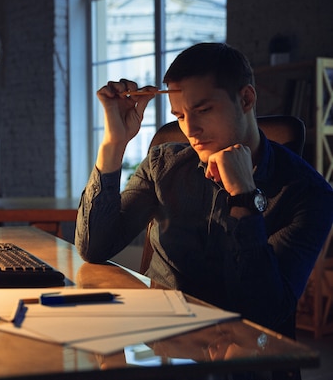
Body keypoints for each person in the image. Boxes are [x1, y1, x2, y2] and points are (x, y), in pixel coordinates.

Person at [75, 43, 333, 345]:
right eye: (180, 116)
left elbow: (263, 313)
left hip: (237, 359)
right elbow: (94, 247)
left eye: (203, 110)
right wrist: (114, 143)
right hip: (160, 343)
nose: (191, 130)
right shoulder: (163, 164)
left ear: (246, 98)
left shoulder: (309, 194)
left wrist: (243, 196)